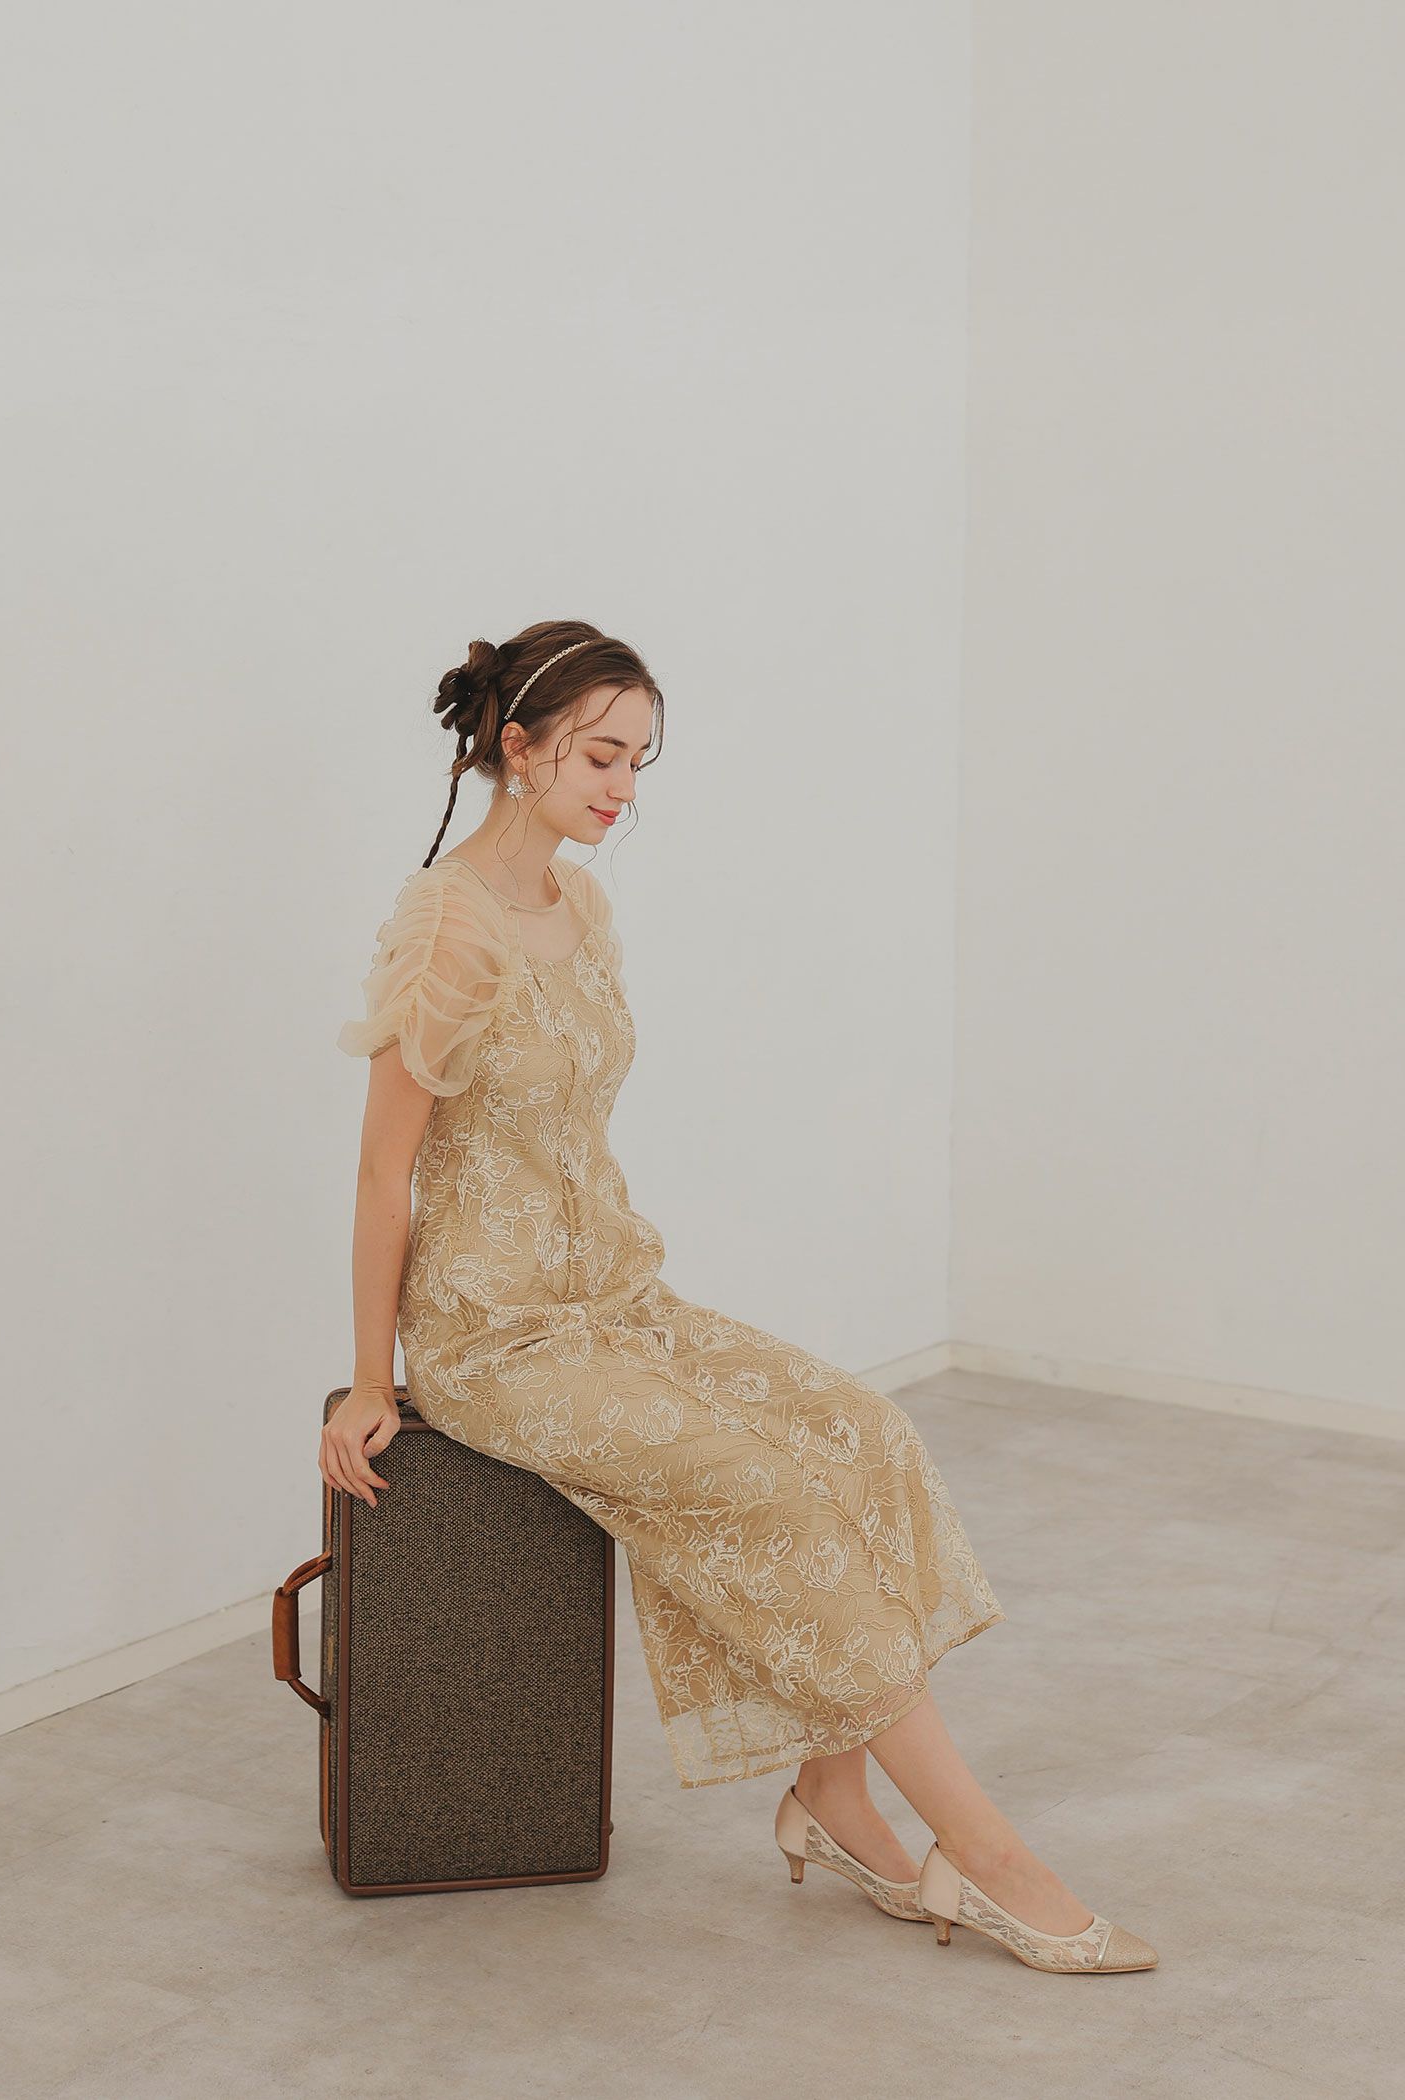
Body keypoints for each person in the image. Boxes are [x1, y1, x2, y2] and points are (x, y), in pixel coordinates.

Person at [326, 620, 1158, 1975]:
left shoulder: (582, 907)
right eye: (601, 756)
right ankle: (990, 1854)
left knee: (856, 1431)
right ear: (518, 747)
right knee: (767, 1493)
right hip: (499, 1337)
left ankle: (832, 1798)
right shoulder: (448, 926)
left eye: (639, 761)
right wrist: (374, 1379)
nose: (624, 788)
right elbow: (383, 1170)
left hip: (615, 1297)